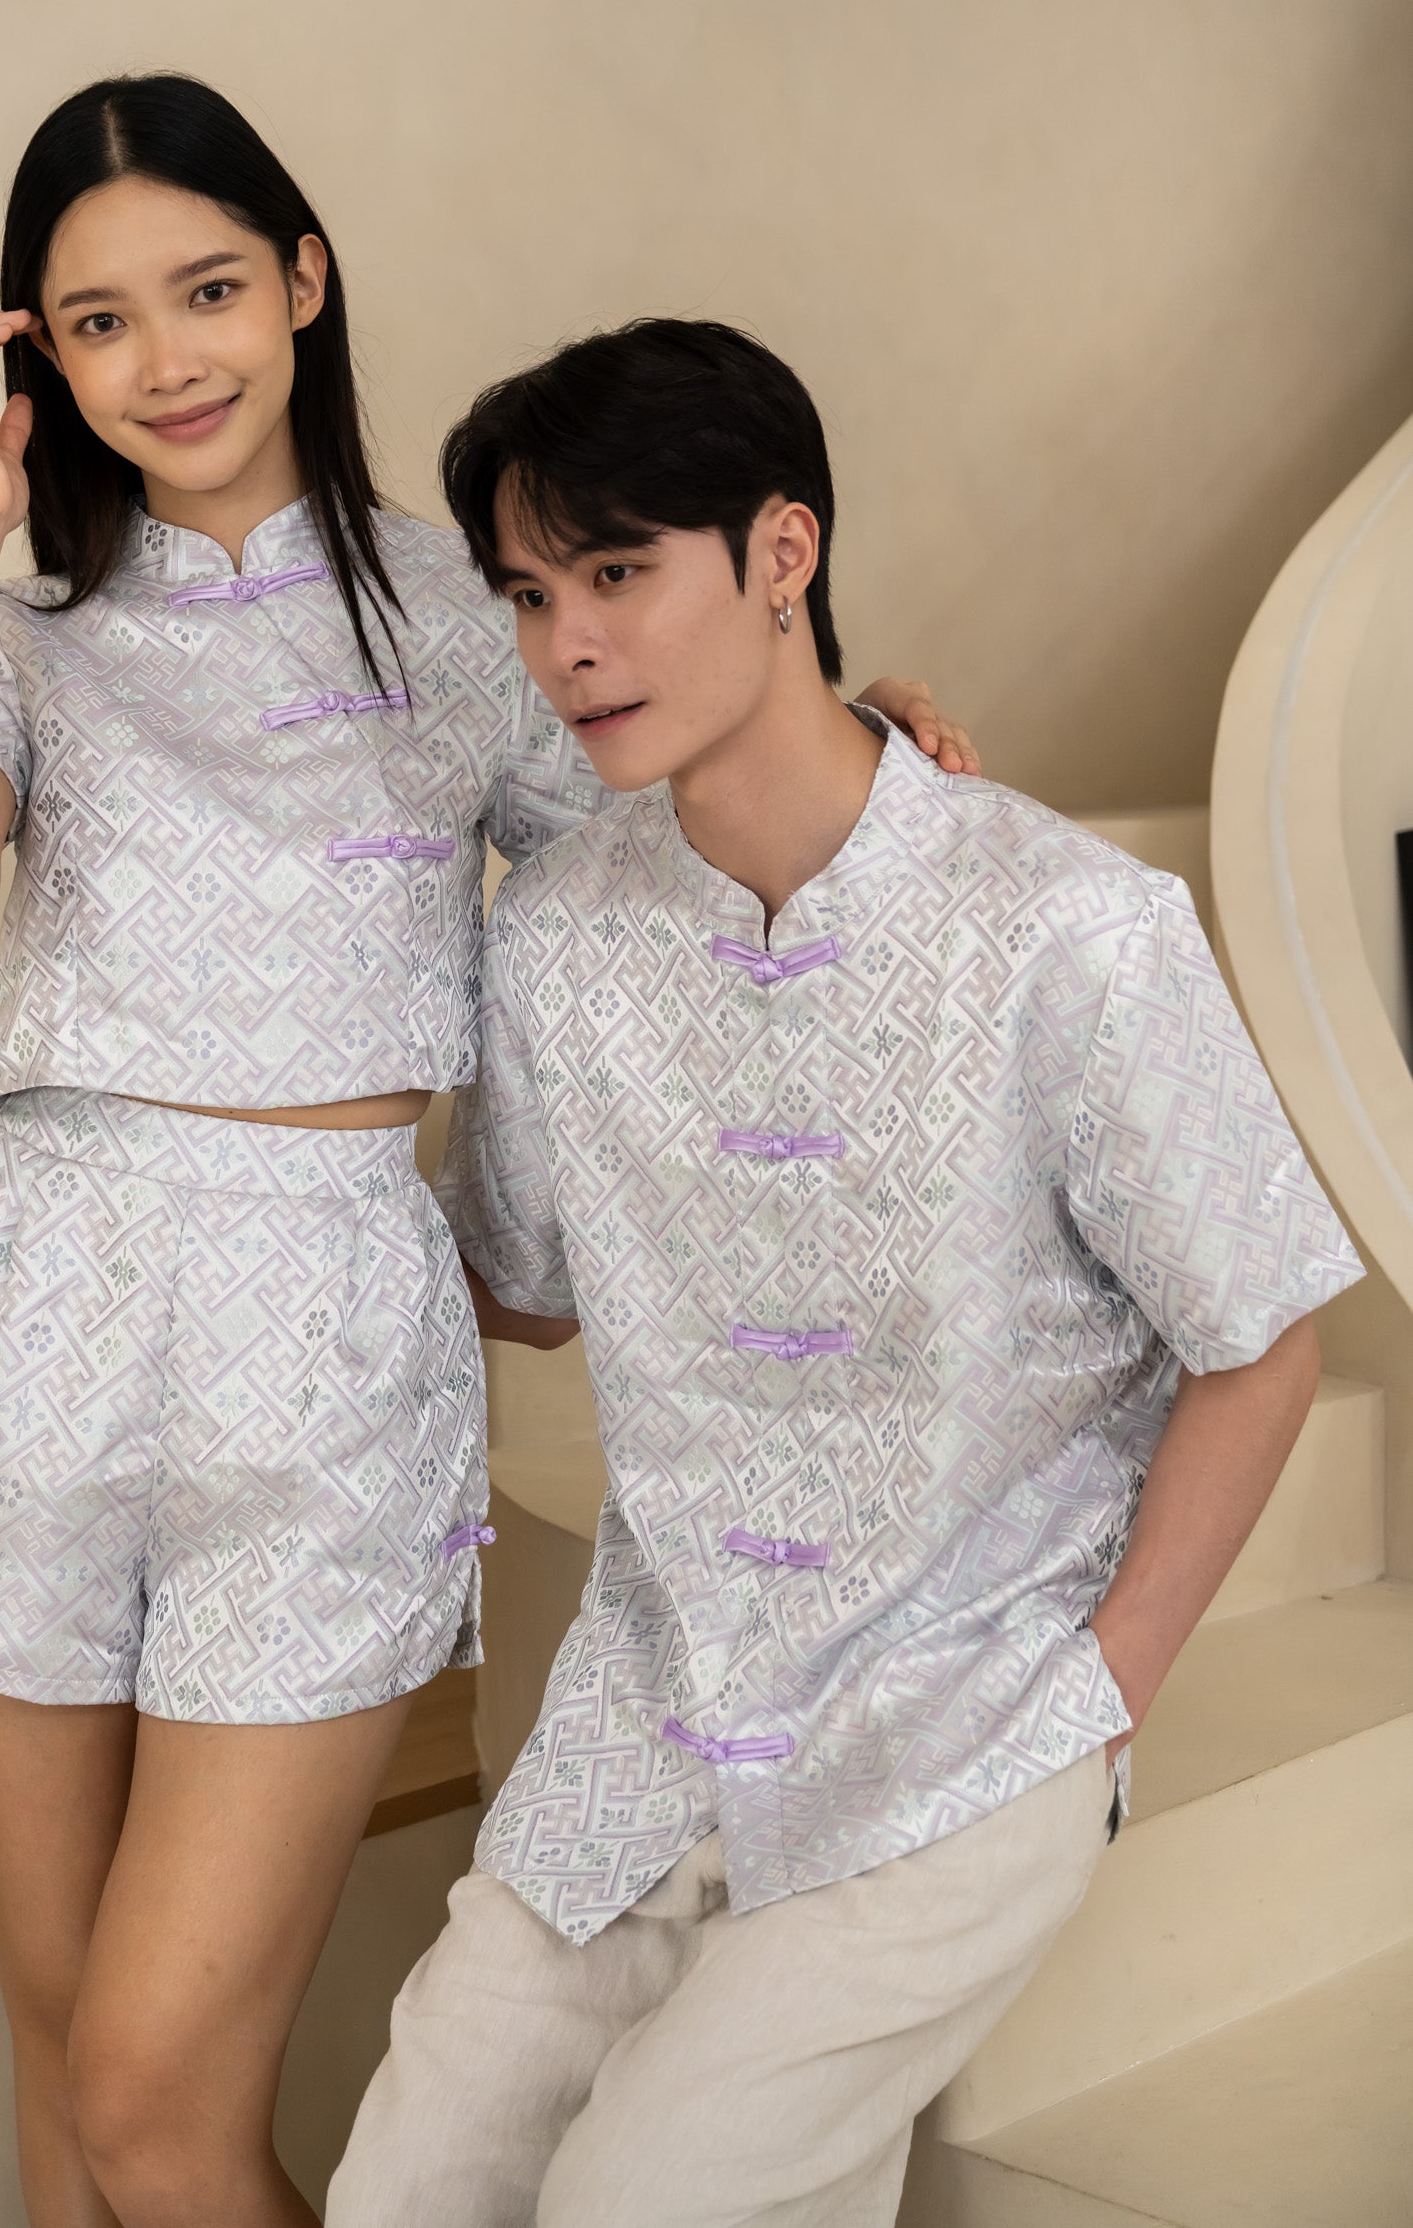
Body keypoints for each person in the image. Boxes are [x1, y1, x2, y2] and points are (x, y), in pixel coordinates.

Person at [0, 81, 971, 2228]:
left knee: (157, 2092)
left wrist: (841, 733)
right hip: (33, 1309)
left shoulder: (470, 615)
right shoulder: (27, 623)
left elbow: (662, 846)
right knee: (60, 2030)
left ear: (302, 281)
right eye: (96, 322)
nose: (164, 360)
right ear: (38, 358)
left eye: (207, 291)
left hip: (328, 1337)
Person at [328, 317, 1365, 2228]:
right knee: (407, 2189)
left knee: (645, 2202)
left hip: (965, 1712)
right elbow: (526, 1287)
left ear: (782, 554)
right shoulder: (553, 933)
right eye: (530, 594)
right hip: (650, 1711)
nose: (566, 646)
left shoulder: (1071, 928)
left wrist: (1098, 1697)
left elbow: (1264, 1338)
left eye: (617, 572)